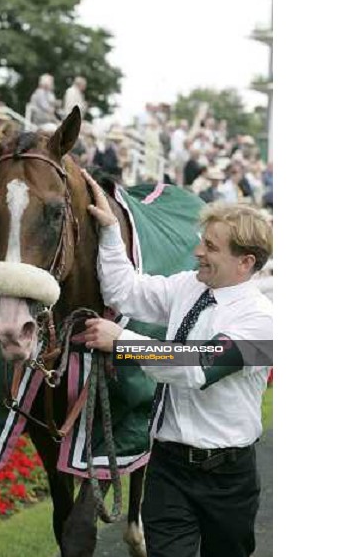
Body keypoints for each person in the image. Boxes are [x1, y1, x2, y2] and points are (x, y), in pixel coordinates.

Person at [80, 168, 272, 557]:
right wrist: (110, 233)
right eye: (202, 241)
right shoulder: (189, 284)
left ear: (245, 262)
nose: (198, 251)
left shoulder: (263, 322)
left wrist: (123, 343)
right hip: (168, 467)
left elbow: (198, 366)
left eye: (212, 247)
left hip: (228, 478)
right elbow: (125, 290)